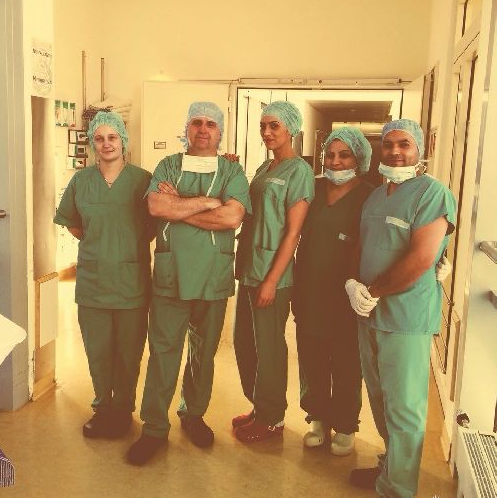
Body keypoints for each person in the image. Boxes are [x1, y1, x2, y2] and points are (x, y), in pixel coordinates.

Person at [127, 102, 251, 465]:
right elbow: (156, 207)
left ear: (220, 131)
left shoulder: (232, 170)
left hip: (213, 275)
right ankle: (154, 428)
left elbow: (231, 218)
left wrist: (179, 203)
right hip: (172, 276)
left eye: (211, 123)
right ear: (187, 128)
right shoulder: (168, 165)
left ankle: (193, 414)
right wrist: (207, 203)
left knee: (203, 353)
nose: (203, 129)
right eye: (196, 122)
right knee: (163, 352)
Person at [345, 119, 456, 497]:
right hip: (368, 312)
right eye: (389, 144)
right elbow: (363, 244)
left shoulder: (432, 193)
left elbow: (421, 258)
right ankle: (389, 467)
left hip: (406, 316)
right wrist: (353, 284)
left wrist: (373, 291)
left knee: (404, 406)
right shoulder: (377, 196)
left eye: (404, 144)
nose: (395, 151)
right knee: (379, 398)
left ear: (419, 149)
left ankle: (398, 488)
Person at [53, 111, 154, 439]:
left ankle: (122, 409)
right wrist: (100, 243)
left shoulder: (143, 180)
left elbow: (153, 225)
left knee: (128, 352)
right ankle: (103, 408)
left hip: (131, 282)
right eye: (99, 138)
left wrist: (124, 246)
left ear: (123, 141)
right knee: (98, 351)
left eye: (112, 137)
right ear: (92, 143)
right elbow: (72, 222)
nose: (106, 144)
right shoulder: (81, 182)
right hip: (93, 282)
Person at [233, 100, 315, 443]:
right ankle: (259, 405)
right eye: (263, 126)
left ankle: (272, 418)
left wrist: (271, 280)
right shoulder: (265, 167)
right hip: (249, 269)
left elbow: (293, 233)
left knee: (269, 348)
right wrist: (231, 171)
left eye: (274, 126)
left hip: (272, 276)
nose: (267, 132)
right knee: (244, 342)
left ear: (290, 129)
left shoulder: (300, 172)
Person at [292, 127, 374, 455]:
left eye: (345, 155)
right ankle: (317, 418)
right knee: (311, 357)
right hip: (309, 289)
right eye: (331, 155)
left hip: (347, 293)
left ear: (359, 159)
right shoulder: (311, 188)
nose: (336, 162)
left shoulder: (370, 196)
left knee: (346, 362)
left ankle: (345, 424)